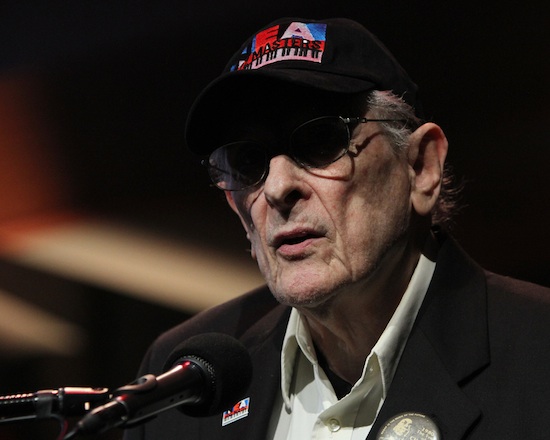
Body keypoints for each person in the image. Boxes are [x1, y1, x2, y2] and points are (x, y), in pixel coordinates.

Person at [123, 17, 550, 439]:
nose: (276, 188)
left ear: (421, 167)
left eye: (320, 141)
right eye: (248, 162)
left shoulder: (537, 352)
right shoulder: (178, 380)